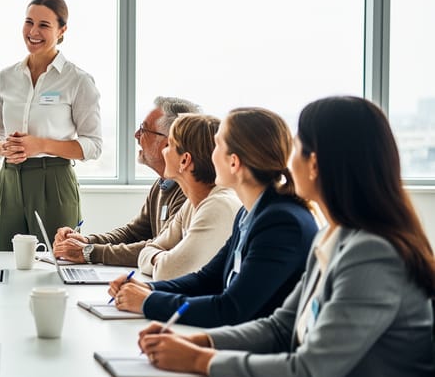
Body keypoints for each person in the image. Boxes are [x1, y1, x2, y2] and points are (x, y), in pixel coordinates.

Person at [137, 97, 435, 377]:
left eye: (296, 148)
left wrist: (200, 360)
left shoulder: (372, 255)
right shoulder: (333, 238)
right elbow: (281, 327)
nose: (287, 161)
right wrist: (199, 340)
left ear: (315, 164)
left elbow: (308, 374)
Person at [110, 107, 318, 327]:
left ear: (234, 162)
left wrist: (149, 301)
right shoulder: (248, 213)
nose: (209, 153)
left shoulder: (281, 223)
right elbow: (207, 280)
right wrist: (147, 288)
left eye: (217, 145)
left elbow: (230, 309)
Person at [0, 0, 102, 251]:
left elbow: (93, 145)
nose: (33, 31)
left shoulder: (78, 80)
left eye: (44, 25)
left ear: (62, 30)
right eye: (29, 22)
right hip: (8, 181)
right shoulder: (5, 78)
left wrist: (40, 145)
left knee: (57, 262)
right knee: (6, 263)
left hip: (55, 181)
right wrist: (3, 148)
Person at [62, 113, 239, 280]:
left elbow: (167, 270)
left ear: (184, 161)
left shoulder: (216, 206)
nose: (164, 151)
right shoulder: (192, 204)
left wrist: (159, 258)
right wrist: (161, 257)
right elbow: (149, 249)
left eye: (169, 145)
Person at [52, 96, 198, 266]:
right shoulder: (161, 185)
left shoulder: (188, 192)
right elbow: (133, 234)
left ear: (167, 143)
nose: (136, 135)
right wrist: (84, 241)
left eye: (144, 129)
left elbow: (161, 247)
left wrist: (89, 251)